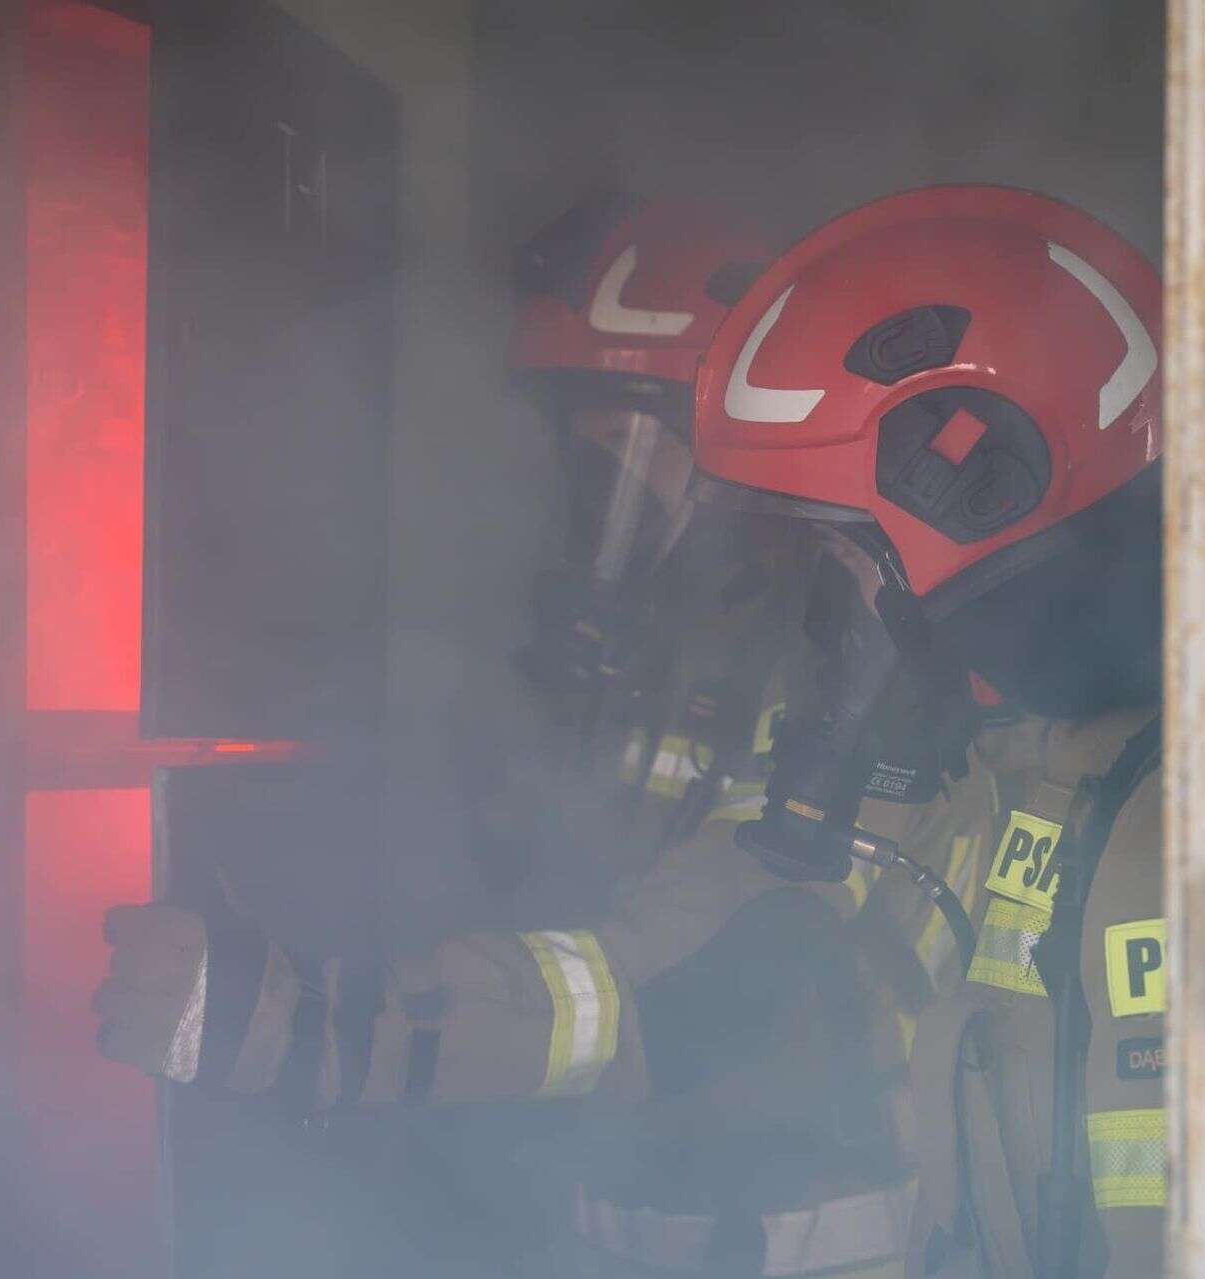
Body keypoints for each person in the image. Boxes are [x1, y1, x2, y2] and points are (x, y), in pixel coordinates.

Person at [96, 191, 996, 1278]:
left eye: (634, 438)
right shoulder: (635, 670)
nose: (595, 481)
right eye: (579, 436)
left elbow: (724, 977)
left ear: (741, 456)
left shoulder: (863, 677)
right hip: (619, 1226)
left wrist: (336, 1031)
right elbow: (533, 899)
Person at [687, 184, 1165, 1278]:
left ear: (986, 488)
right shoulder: (1002, 787)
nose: (836, 613)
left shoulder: (1188, 818)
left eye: (855, 558)